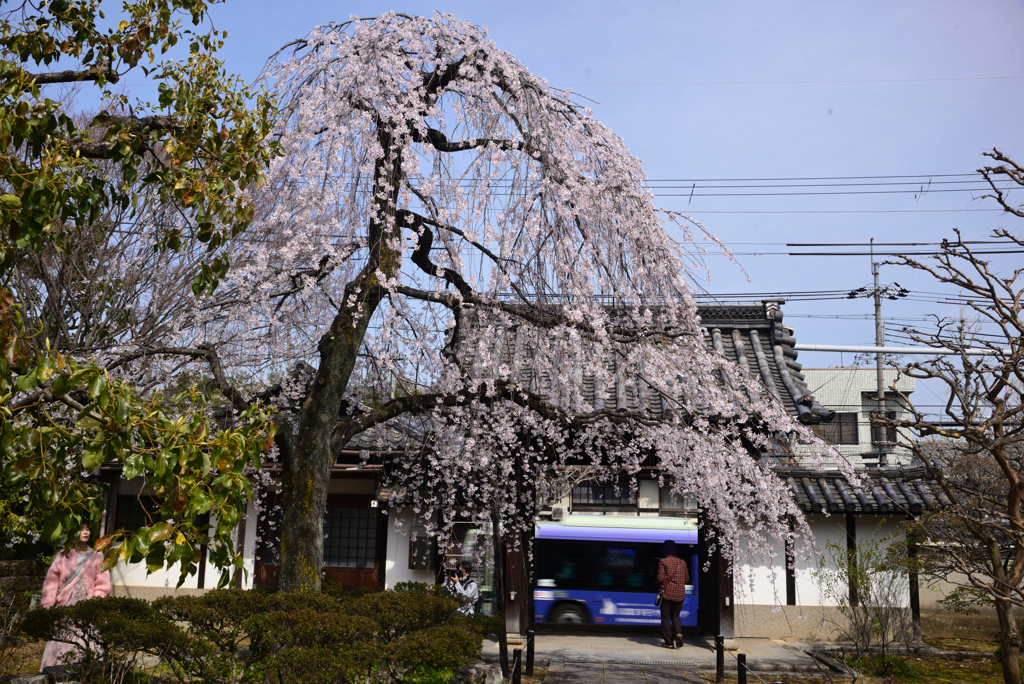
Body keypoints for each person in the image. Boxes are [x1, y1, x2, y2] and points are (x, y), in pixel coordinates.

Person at [39, 521, 112, 673]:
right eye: (81, 529)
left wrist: (97, 603)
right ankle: (58, 673)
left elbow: (103, 583)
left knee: (86, 638)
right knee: (63, 637)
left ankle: (86, 673)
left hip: (87, 607)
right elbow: (51, 583)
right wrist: (47, 606)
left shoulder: (97, 556)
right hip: (65, 605)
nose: (86, 532)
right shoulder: (62, 556)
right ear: (73, 532)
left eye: (88, 529)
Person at [656, 539, 689, 649]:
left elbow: (660, 578)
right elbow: (686, 579)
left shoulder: (663, 562)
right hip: (680, 594)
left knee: (665, 618)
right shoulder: (682, 562)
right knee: (675, 615)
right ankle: (678, 634)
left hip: (667, 593)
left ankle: (668, 643)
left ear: (665, 552)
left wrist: (656, 582)